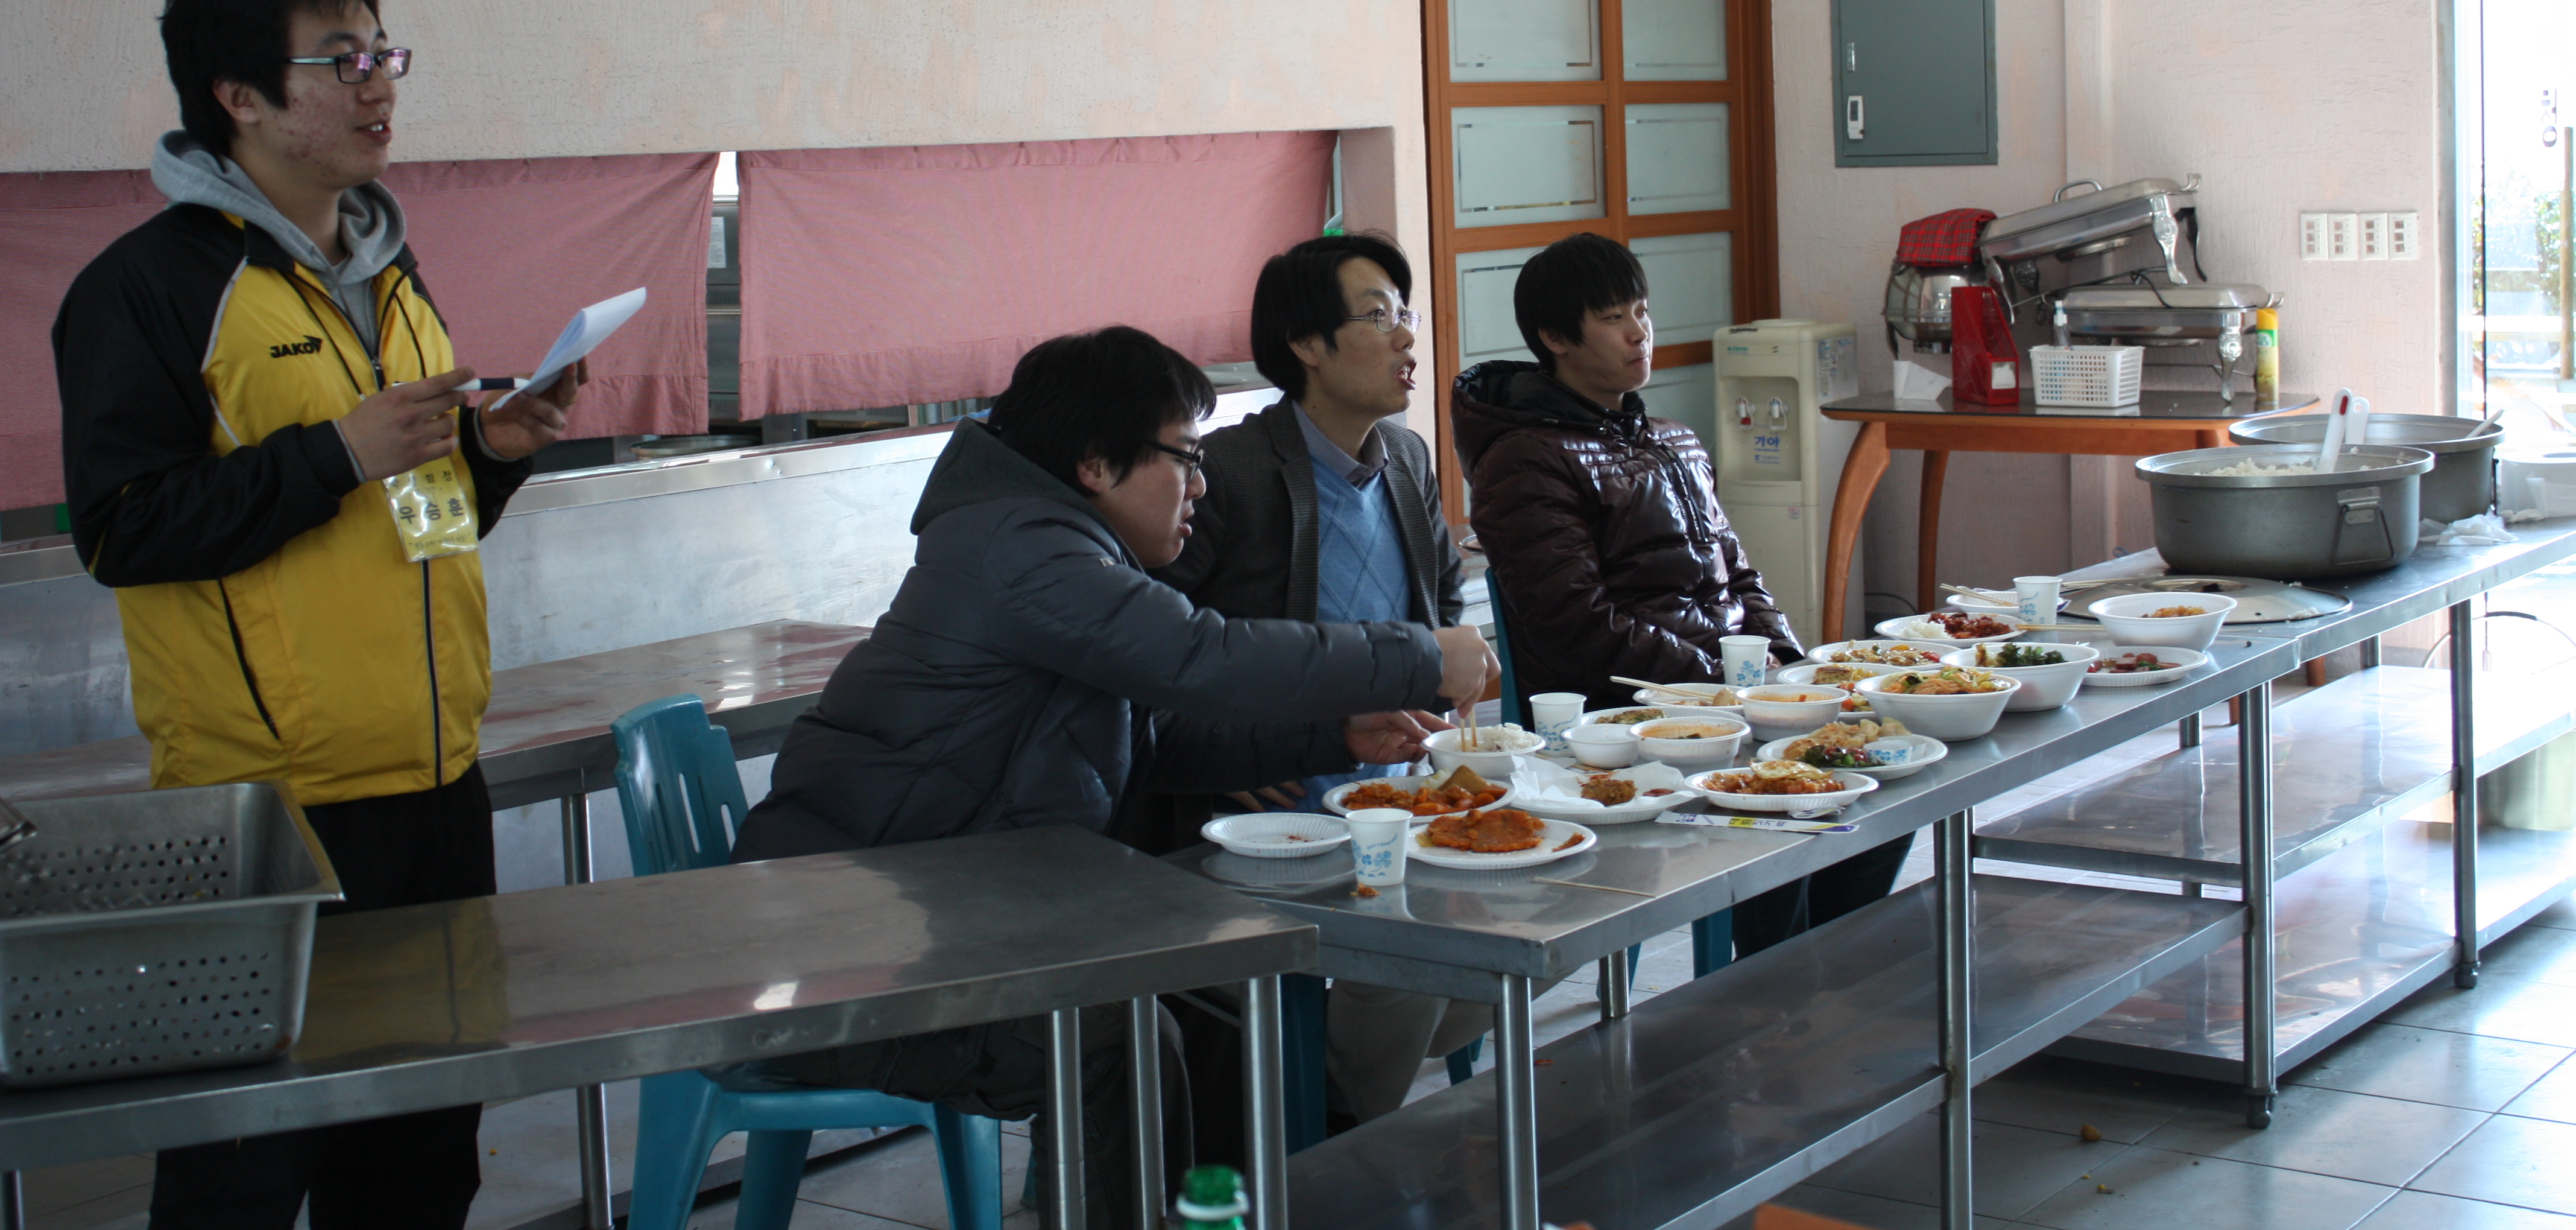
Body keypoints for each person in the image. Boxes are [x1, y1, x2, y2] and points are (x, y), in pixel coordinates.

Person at [52, 0, 583, 1230]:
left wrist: (490, 455)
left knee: (419, 1159)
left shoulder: (389, 272)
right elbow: (124, 528)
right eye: (338, 59)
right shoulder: (149, 290)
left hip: (436, 780)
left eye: (383, 52)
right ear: (238, 95)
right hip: (268, 812)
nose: (376, 84)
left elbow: (411, 521)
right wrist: (336, 451)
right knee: (243, 1167)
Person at [730, 325, 1496, 1220]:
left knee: (1212, 999)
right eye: (1186, 459)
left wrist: (1333, 737)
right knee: (1113, 1036)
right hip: (839, 956)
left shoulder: (1055, 545)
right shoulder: (1021, 547)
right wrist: (1417, 654)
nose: (1200, 487)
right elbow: (1201, 656)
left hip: (929, 923)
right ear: (1095, 464)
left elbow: (1159, 739)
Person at [1449, 231, 1905, 957]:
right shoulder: (1525, 460)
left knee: (1887, 766)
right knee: (1786, 798)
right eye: (1613, 318)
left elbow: (1740, 576)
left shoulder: (1675, 440)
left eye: (1642, 311)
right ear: (1555, 338)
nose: (1640, 333)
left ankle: (1819, 963)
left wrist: (1791, 669)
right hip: (1622, 717)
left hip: (1723, 697)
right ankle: (1778, 978)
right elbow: (1579, 626)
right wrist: (1724, 683)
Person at [1153, 233, 1487, 1125]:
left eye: (1405, 315)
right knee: (1411, 966)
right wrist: (1231, 751)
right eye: (1377, 317)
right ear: (1306, 343)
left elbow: (1444, 599)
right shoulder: (1227, 473)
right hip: (1277, 819)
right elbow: (1156, 648)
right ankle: (1322, 1138)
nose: (1406, 337)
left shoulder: (1407, 458)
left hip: (1396, 801)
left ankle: (1313, 1110)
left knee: (1509, 935)